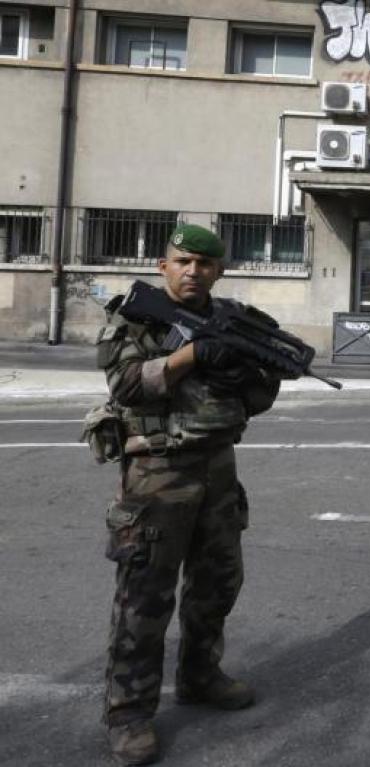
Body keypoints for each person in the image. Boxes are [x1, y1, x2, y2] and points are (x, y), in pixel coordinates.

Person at [96, 224, 281, 765]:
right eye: (183, 261)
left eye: (204, 264)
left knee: (218, 584)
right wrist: (193, 356)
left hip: (218, 469)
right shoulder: (136, 316)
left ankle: (200, 676)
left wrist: (241, 368)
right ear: (163, 265)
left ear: (219, 271)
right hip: (157, 474)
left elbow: (257, 398)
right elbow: (126, 385)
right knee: (144, 599)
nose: (193, 271)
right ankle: (127, 713)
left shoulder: (232, 323)